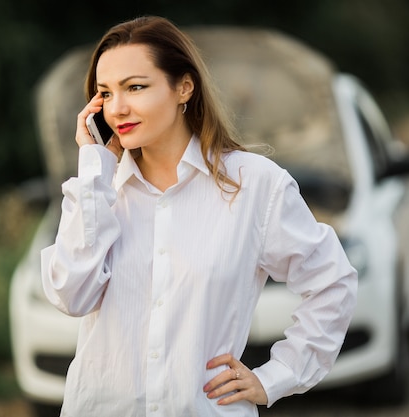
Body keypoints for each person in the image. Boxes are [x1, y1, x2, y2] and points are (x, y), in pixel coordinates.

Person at [41, 15, 357, 417]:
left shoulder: (253, 185)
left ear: (183, 87)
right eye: (106, 92)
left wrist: (276, 377)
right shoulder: (98, 190)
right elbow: (72, 296)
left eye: (135, 87)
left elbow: (332, 281)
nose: (117, 108)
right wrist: (93, 170)